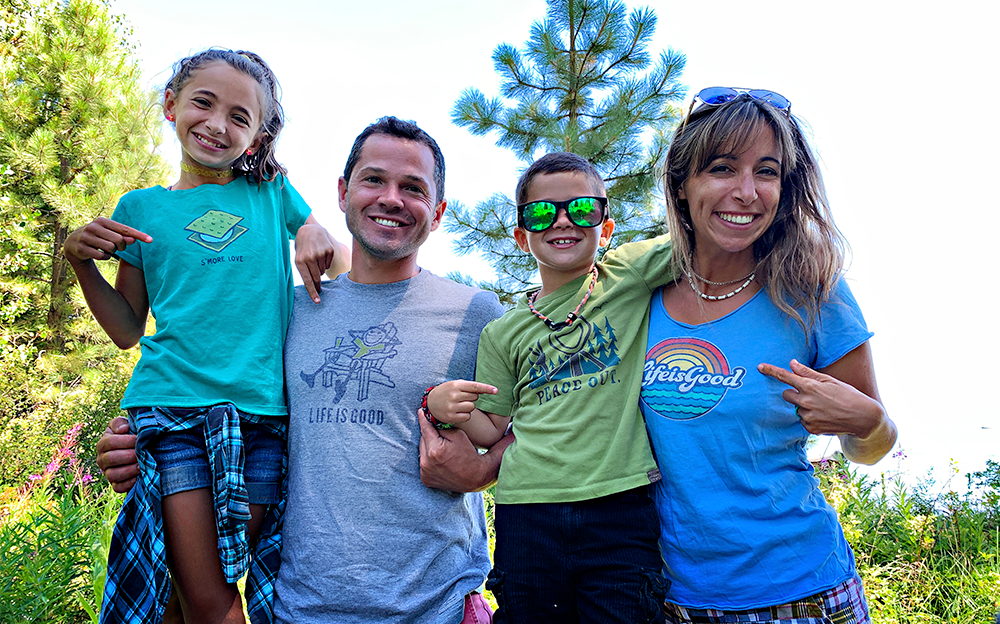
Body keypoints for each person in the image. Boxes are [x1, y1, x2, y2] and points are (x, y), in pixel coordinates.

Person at [96, 116, 510, 624]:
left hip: (439, 606)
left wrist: (485, 469)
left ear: (439, 211)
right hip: (300, 608)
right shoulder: (285, 311)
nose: (391, 198)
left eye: (413, 188)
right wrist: (140, 442)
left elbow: (547, 429)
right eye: (374, 179)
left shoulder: (476, 313)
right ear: (342, 192)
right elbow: (215, 405)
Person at [65, 49, 345, 624]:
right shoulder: (139, 208)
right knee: (208, 601)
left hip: (261, 417)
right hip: (171, 413)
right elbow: (125, 329)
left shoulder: (269, 193)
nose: (219, 124)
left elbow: (336, 258)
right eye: (203, 102)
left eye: (241, 116)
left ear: (258, 134)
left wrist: (315, 229)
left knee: (192, 598)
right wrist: (81, 263)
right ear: (170, 105)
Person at [639, 87, 897, 623]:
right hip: (672, 598)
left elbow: (871, 445)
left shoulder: (813, 290)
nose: (746, 192)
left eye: (767, 171)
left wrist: (870, 422)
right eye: (722, 168)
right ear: (682, 185)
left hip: (803, 594)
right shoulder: (638, 298)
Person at [424, 152, 672, 623]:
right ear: (521, 236)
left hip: (618, 508)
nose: (563, 220)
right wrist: (441, 407)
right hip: (526, 512)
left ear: (607, 226)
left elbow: (705, 236)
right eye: (541, 212)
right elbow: (490, 429)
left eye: (582, 209)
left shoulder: (629, 274)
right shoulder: (503, 332)